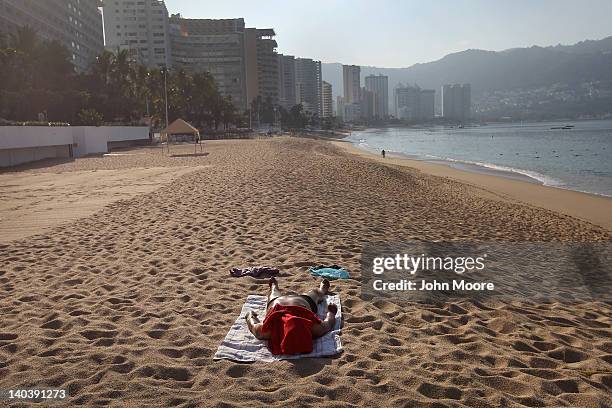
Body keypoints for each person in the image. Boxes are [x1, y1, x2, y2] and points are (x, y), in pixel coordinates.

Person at [245, 277, 337, 355]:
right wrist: (250, 315)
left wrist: (331, 312)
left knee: (316, 294)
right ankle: (321, 289)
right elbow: (328, 324)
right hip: (290, 301)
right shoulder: (312, 328)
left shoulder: (268, 331)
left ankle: (274, 286)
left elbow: (328, 323)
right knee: (316, 294)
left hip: (289, 302)